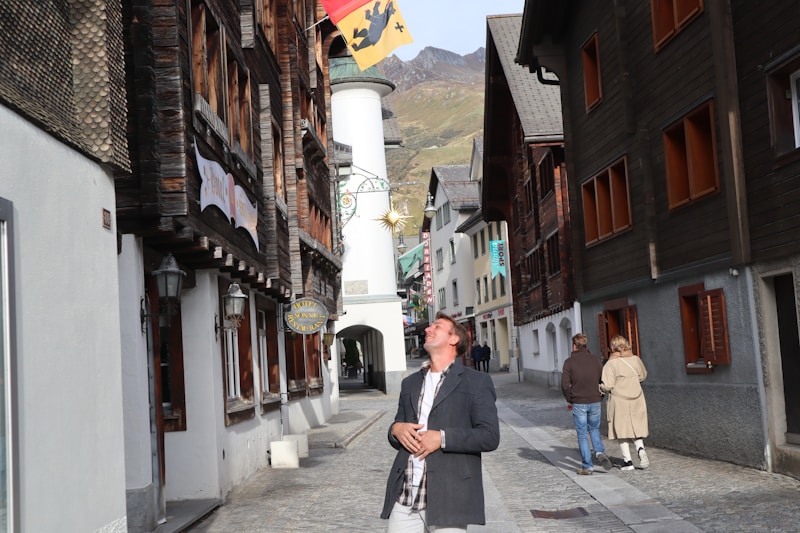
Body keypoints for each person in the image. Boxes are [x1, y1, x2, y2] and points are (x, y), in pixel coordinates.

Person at [381, 312, 500, 532]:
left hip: (450, 496)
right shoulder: (410, 383)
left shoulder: (476, 382)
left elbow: (490, 436)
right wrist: (395, 429)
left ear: (453, 339)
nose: (428, 329)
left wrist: (442, 437)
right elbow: (398, 428)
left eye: (437, 327)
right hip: (406, 494)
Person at [561, 333, 613, 475]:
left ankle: (587, 466)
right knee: (594, 429)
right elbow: (602, 379)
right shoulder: (595, 360)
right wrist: (600, 396)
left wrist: (569, 399)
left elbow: (565, 385)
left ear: (574, 346)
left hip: (579, 401)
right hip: (595, 400)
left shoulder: (569, 362)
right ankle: (599, 451)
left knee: (582, 434)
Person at [600, 335, 650, 471]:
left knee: (621, 430)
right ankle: (640, 449)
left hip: (619, 399)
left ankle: (628, 462)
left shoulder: (611, 364)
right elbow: (643, 376)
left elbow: (608, 385)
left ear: (612, 348)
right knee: (636, 427)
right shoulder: (636, 359)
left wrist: (600, 388)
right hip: (637, 397)